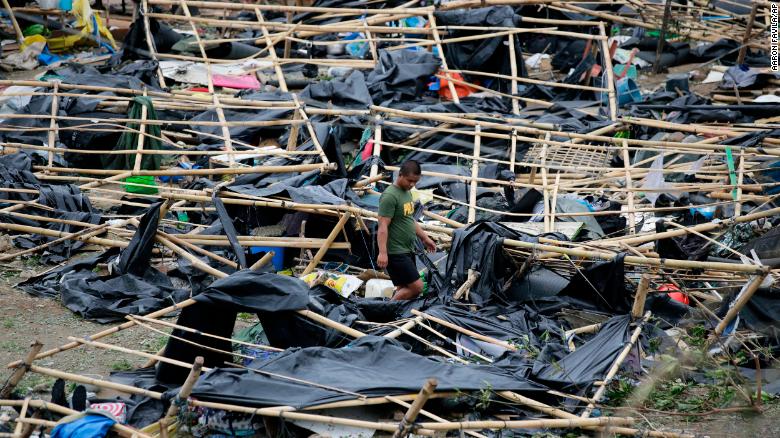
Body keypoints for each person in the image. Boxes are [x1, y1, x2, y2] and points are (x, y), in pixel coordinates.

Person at [376, 160, 436, 300]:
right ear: (400, 175)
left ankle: (396, 314)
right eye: (409, 180)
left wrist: (425, 238)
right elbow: (382, 226)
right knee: (417, 287)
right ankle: (386, 309)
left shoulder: (407, 193)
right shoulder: (390, 196)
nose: (412, 184)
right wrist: (383, 252)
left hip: (407, 249)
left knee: (404, 288)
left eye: (415, 182)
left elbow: (409, 219)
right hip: (395, 252)